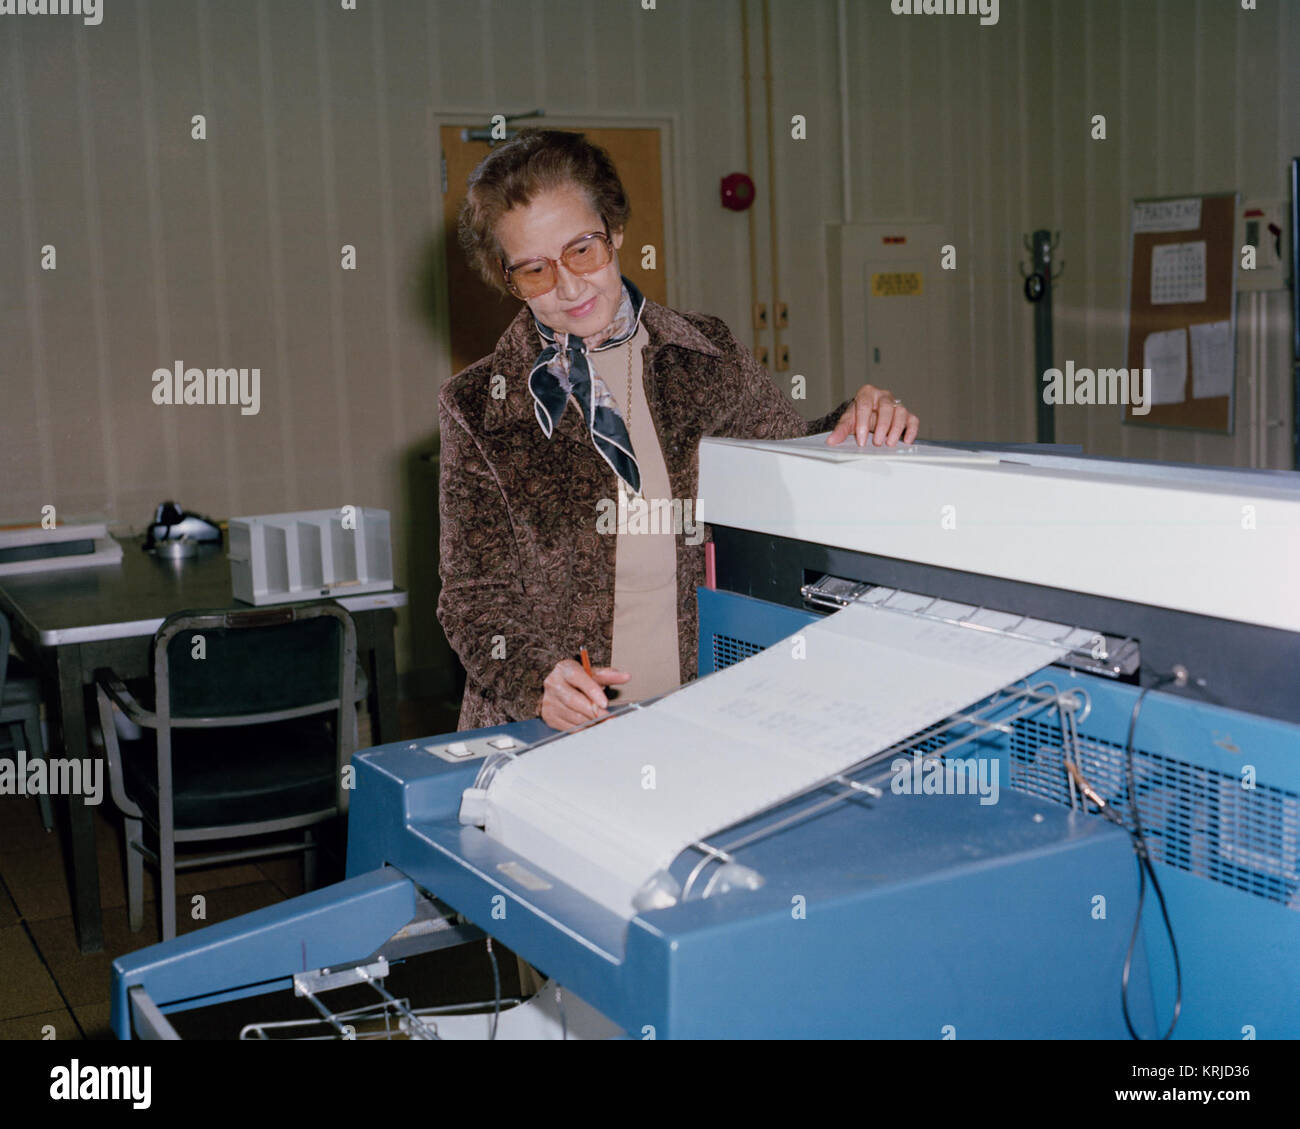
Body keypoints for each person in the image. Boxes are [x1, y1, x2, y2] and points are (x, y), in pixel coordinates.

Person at [438, 129, 919, 734]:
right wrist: (539, 681)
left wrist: (857, 420)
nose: (567, 286)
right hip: (551, 732)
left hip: (697, 717)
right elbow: (472, 595)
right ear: (506, 278)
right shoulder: (479, 406)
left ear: (614, 233)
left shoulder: (704, 354)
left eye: (583, 250)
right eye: (534, 270)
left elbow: (782, 460)